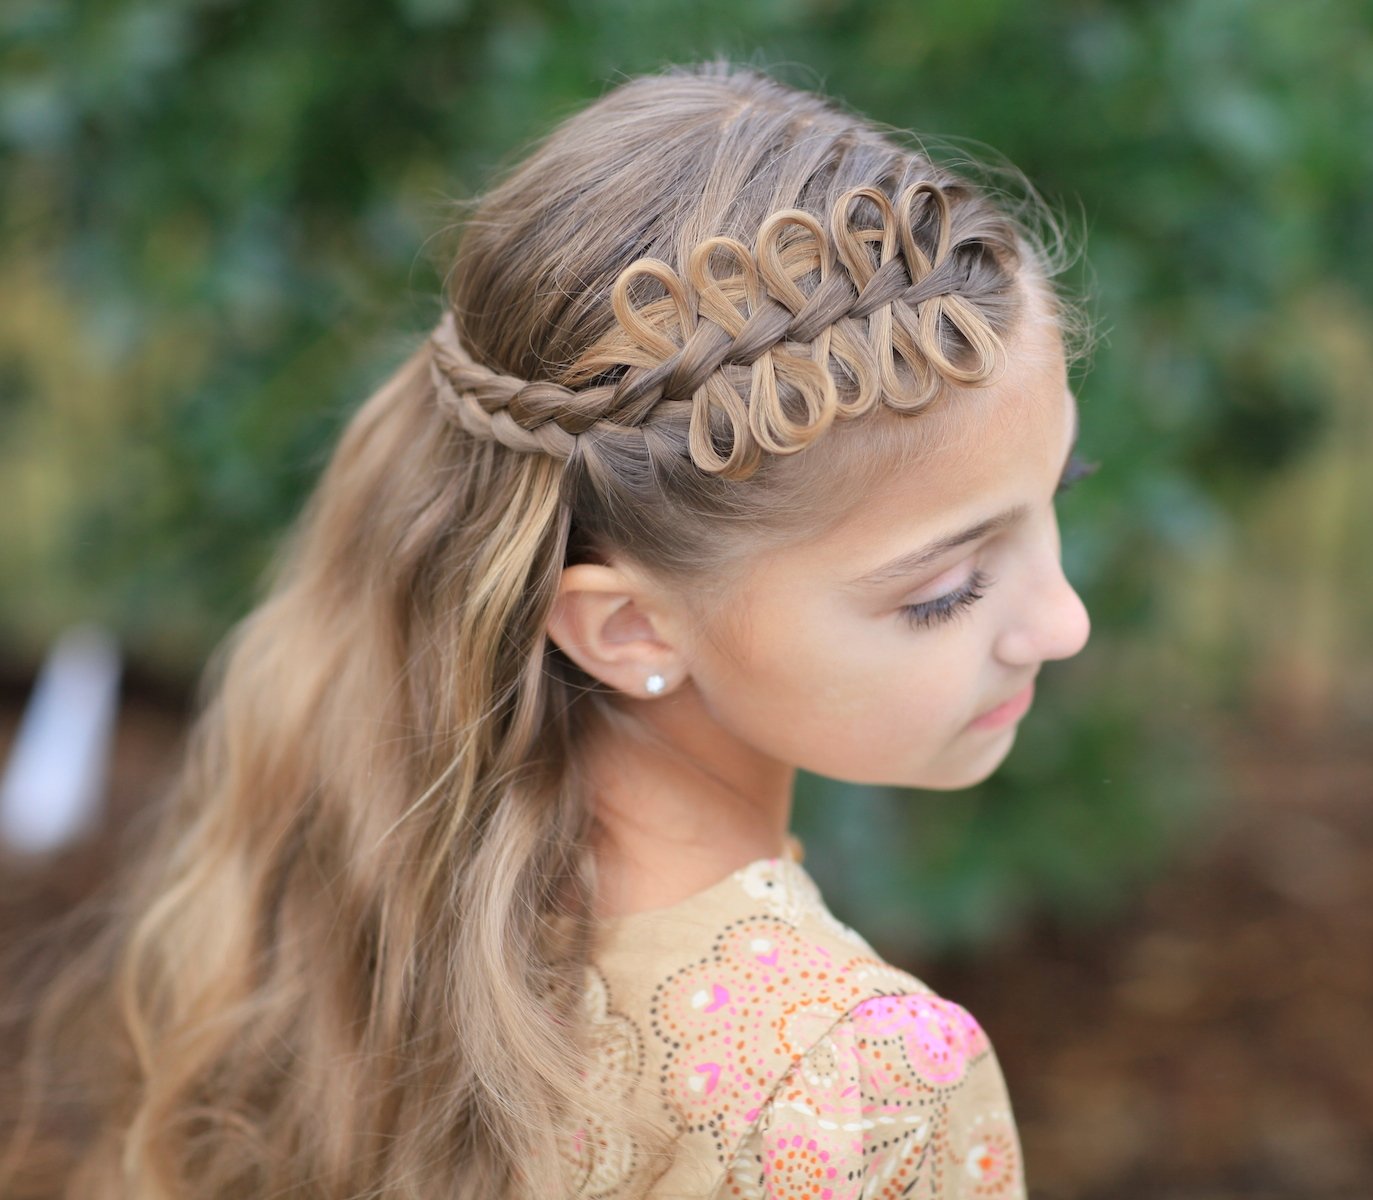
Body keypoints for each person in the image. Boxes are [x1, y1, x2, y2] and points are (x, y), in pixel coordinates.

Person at [3, 57, 1096, 1199]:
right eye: (946, 589)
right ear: (626, 631)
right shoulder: (855, 1081)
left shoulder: (377, 905)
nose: (1063, 622)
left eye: (1061, 488)